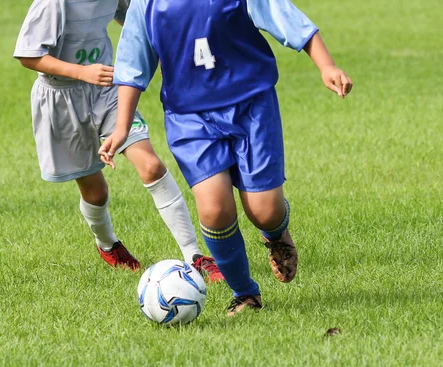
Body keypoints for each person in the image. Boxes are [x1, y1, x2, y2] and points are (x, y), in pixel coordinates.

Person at [99, 0, 352, 314]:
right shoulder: (146, 5)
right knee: (215, 210)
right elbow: (132, 66)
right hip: (190, 119)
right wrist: (122, 127)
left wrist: (326, 65)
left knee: (264, 211)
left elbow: (287, 18)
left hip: (251, 106)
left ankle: (275, 233)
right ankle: (245, 293)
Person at [13, 0, 224, 281]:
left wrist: (161, 53)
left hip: (106, 92)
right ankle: (107, 243)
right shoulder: (54, 3)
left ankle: (194, 255)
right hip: (61, 98)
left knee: (150, 165)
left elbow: (137, 19)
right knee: (96, 192)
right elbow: (28, 55)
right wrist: (83, 71)